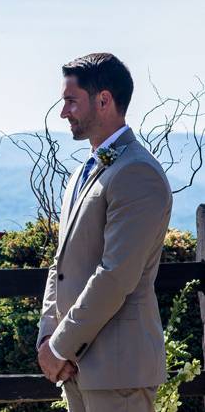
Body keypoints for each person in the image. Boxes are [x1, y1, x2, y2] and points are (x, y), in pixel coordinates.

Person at [36, 53, 172, 411]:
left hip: (118, 368)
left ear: (104, 100)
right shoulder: (83, 171)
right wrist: (48, 335)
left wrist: (60, 346)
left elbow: (116, 276)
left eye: (70, 101)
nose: (63, 112)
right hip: (77, 367)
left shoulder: (136, 172)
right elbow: (61, 263)